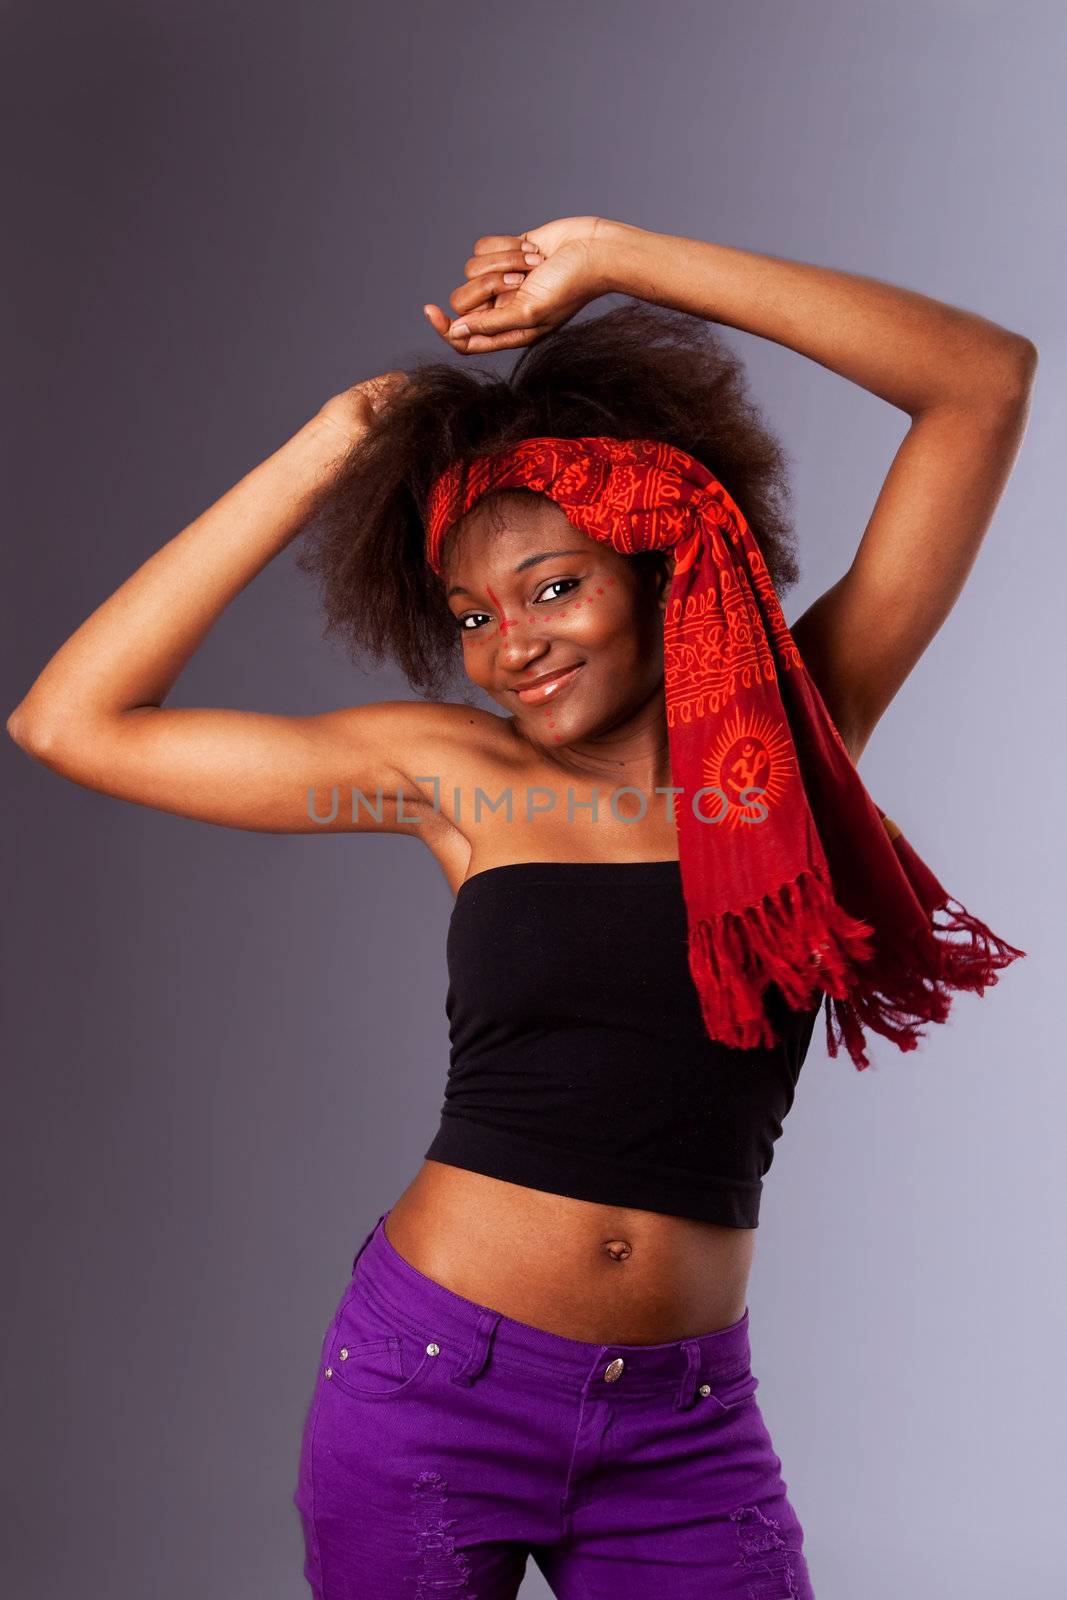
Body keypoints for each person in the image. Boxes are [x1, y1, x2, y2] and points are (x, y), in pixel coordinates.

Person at [7, 214, 1036, 1598]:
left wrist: (616, 257)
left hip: (685, 1420)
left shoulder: (796, 737)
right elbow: (74, 721)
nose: (516, 644)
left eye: (555, 586)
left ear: (659, 566)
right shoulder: (449, 780)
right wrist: (341, 441)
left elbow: (982, 380)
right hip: (433, 1389)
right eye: (473, 613)